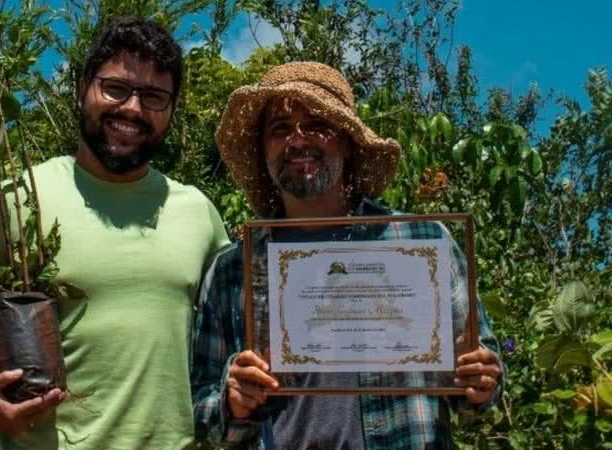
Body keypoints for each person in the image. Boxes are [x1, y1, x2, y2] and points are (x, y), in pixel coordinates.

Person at [0, 16, 229, 450]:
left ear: (172, 110)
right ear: (82, 86)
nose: (132, 110)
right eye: (115, 89)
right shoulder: (20, 198)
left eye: (154, 97)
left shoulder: (198, 213)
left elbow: (235, 332)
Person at [191, 61, 502, 449]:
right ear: (263, 150)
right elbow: (201, 412)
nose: (298, 141)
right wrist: (232, 402)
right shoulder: (231, 270)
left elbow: (479, 392)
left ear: (347, 143)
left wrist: (479, 380)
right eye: (280, 129)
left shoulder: (421, 243)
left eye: (318, 125)